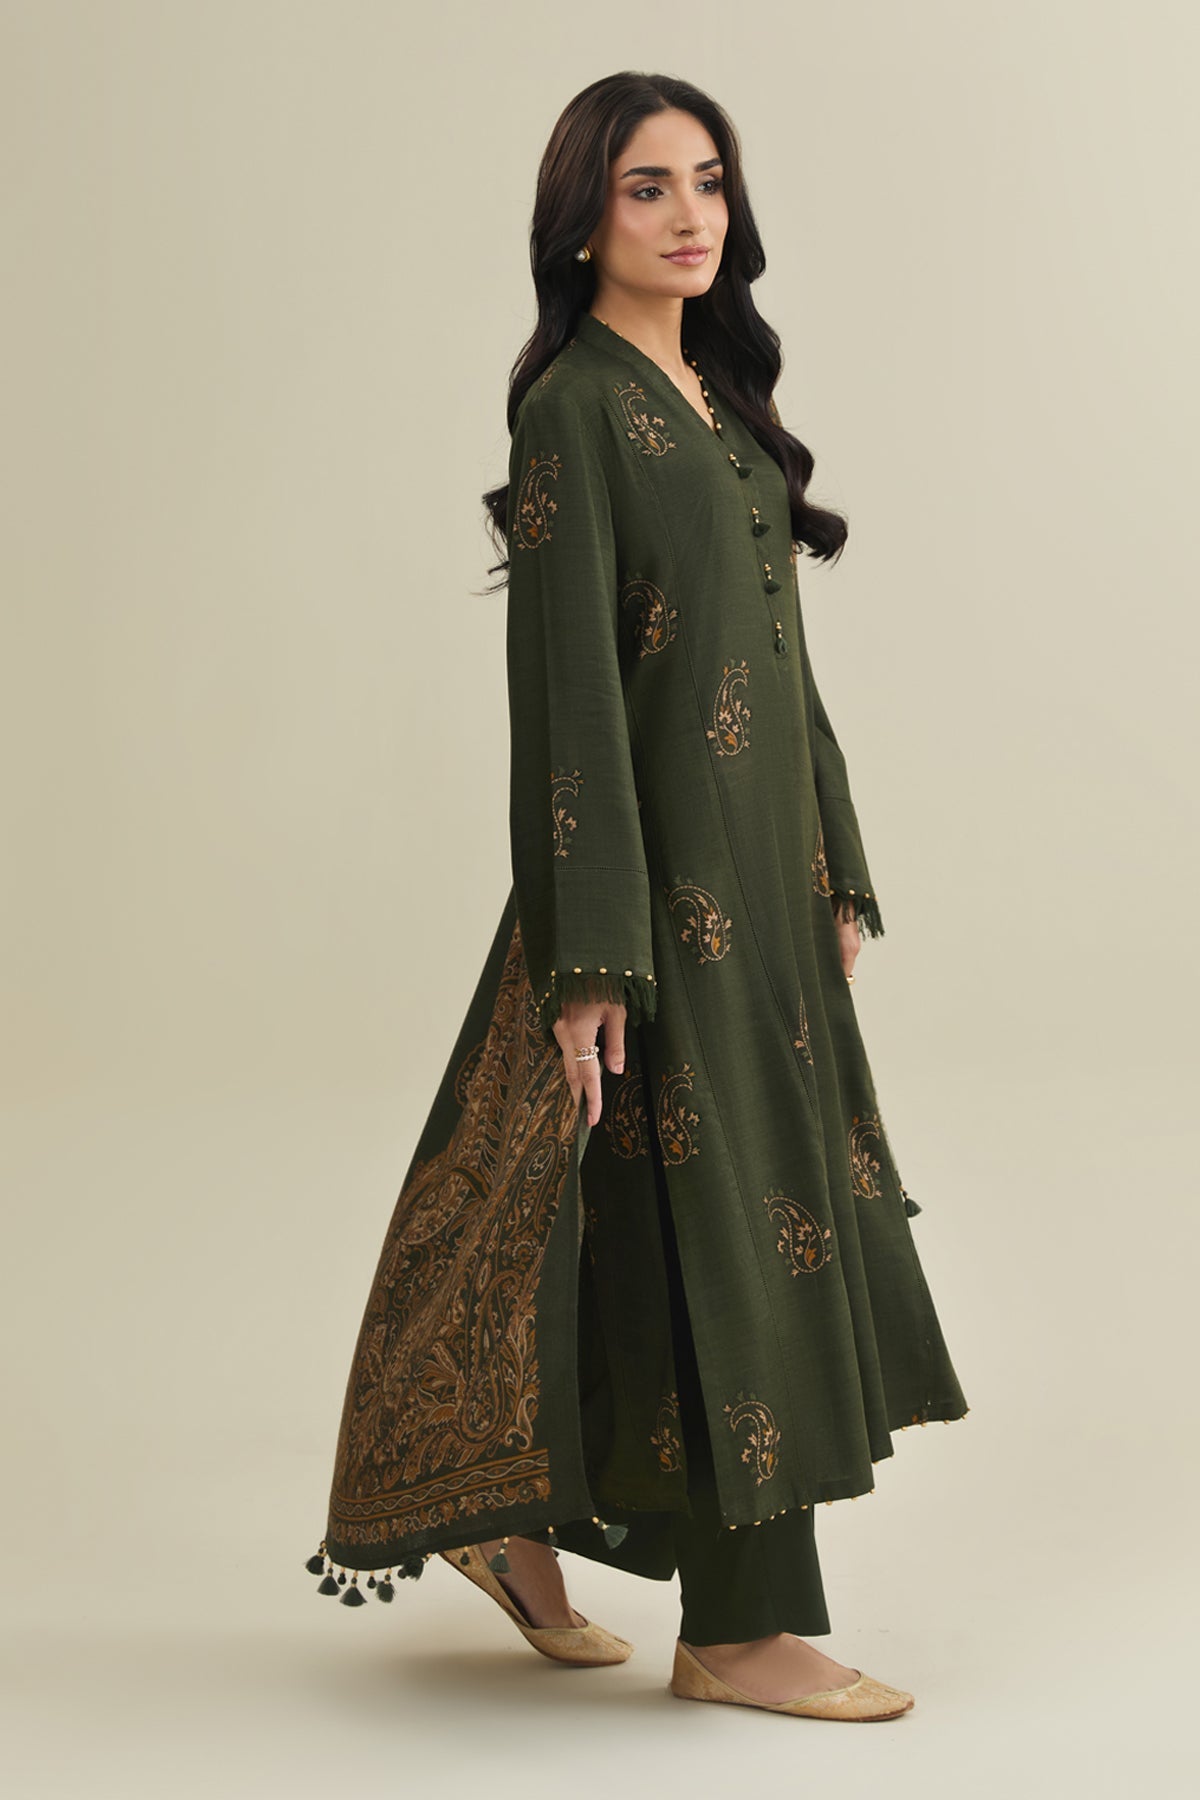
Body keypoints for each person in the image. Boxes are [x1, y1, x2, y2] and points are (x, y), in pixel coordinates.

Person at [305, 71, 969, 1725]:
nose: (690, 216)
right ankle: (741, 1631)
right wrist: (595, 957)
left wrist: (837, 868)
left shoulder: (718, 400)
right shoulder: (575, 411)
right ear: (581, 218)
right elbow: (571, 706)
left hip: (767, 896)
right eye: (648, 187)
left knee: (678, 1225)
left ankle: (525, 1518)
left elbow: (778, 665)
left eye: (710, 182)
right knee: (724, 1239)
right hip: (661, 907)